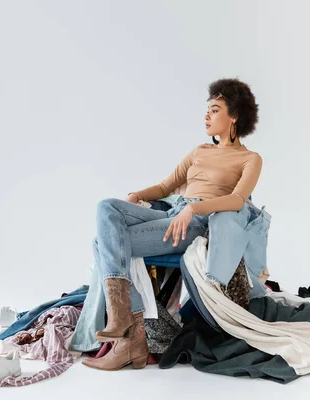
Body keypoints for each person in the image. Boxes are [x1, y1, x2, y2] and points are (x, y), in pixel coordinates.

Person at [82, 78, 263, 371]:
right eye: (207, 109)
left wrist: (193, 208)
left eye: (215, 110)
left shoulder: (249, 159)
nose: (207, 115)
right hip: (171, 214)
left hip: (196, 224)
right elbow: (166, 185)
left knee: (102, 244)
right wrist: (138, 195)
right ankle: (123, 317)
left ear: (235, 116)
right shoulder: (198, 151)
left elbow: (238, 200)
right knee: (107, 207)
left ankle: (131, 335)